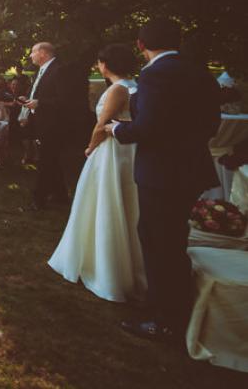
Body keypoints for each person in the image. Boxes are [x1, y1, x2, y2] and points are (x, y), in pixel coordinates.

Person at [106, 20, 221, 341]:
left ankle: (165, 320)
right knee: (172, 240)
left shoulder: (155, 75)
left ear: (141, 45)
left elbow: (147, 127)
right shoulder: (200, 72)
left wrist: (117, 129)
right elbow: (212, 124)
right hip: (191, 170)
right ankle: (167, 305)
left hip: (162, 173)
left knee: (160, 243)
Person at [49, 44, 146, 302]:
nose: (97, 66)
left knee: (103, 201)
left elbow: (101, 126)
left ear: (106, 65)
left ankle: (105, 266)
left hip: (112, 151)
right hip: (130, 152)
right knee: (126, 203)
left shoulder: (118, 89)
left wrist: (90, 147)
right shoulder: (137, 85)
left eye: (99, 63)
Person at [21, 42, 92, 209]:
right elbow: (41, 93)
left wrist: (39, 103)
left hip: (54, 124)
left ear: (43, 53)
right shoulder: (42, 71)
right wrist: (29, 100)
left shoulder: (59, 70)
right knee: (51, 160)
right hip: (42, 122)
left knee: (45, 160)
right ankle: (60, 195)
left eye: (33, 52)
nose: (30, 55)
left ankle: (38, 199)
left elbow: (65, 100)